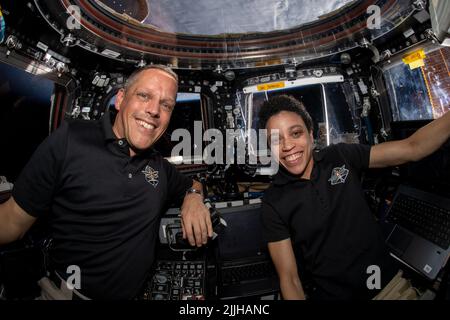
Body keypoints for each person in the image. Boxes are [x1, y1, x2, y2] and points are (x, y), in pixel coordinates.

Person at [0, 65, 213, 299]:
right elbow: (11, 223)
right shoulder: (71, 140)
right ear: (121, 99)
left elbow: (193, 184)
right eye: (144, 96)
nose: (154, 110)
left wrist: (193, 197)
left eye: (166, 105)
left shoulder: (160, 167)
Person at [258, 94, 450, 300]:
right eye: (277, 140)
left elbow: (413, 147)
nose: (288, 146)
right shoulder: (273, 202)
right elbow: (290, 279)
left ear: (311, 135)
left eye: (296, 133)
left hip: (389, 289)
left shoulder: (340, 156)